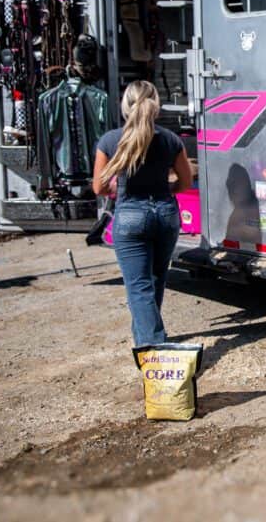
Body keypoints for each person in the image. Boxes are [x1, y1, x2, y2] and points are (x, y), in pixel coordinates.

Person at [92, 81, 192, 347]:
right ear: (155, 104)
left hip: (131, 215)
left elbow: (99, 186)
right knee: (156, 280)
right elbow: (185, 182)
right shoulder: (170, 139)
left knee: (138, 287)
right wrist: (164, 186)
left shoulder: (111, 140)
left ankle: (153, 347)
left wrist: (117, 189)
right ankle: (145, 337)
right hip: (166, 214)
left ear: (126, 106)